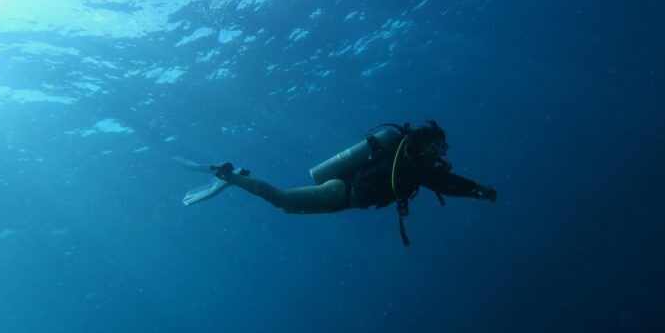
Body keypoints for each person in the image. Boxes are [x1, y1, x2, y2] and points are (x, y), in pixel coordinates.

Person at [187, 121, 497, 245]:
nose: (442, 153)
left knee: (285, 205)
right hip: (342, 192)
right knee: (282, 200)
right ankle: (230, 176)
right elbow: (443, 182)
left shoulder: (410, 159)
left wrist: (472, 189)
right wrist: (475, 190)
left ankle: (236, 178)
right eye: (439, 146)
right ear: (426, 143)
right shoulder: (413, 161)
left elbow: (438, 180)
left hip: (344, 192)